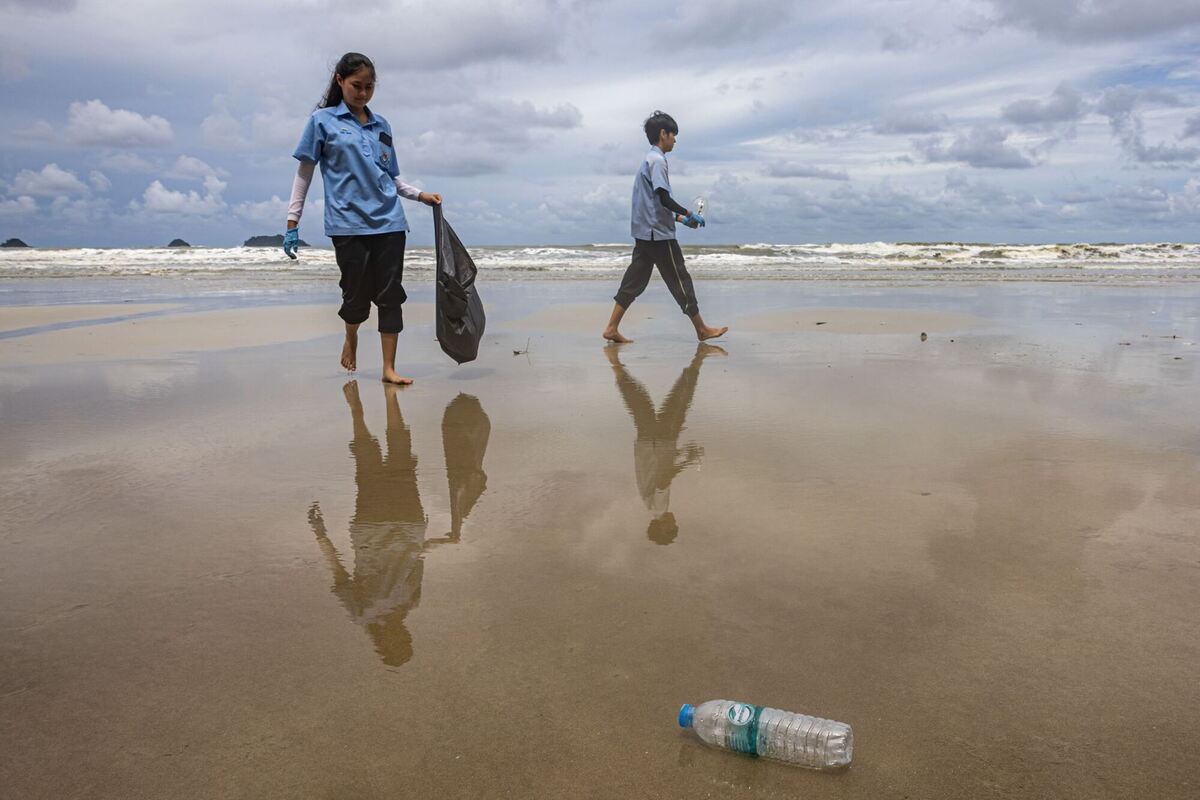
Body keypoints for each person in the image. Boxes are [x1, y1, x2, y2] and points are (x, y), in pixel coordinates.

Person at [284, 52, 442, 385]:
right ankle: (351, 336)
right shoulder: (322, 121)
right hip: (347, 224)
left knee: (391, 295)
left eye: (369, 87)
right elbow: (304, 173)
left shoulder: (382, 125)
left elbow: (391, 177)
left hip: (390, 222)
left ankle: (388, 368)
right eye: (357, 85)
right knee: (354, 295)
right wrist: (292, 222)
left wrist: (420, 195)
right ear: (340, 81)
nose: (363, 93)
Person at [602, 111, 728, 344]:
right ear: (663, 134)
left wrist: (679, 219)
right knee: (680, 280)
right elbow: (664, 198)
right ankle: (702, 329)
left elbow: (653, 204)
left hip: (644, 233)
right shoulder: (658, 161)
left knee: (634, 281)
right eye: (673, 135)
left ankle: (611, 328)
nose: (675, 140)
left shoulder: (648, 160)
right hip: (658, 236)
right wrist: (689, 214)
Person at [606, 343, 726, 544]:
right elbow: (660, 471)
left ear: (661, 527)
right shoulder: (649, 504)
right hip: (647, 443)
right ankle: (615, 365)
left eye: (672, 527)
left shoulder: (659, 508)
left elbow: (663, 478)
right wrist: (682, 454)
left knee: (680, 399)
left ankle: (699, 359)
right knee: (639, 401)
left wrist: (687, 461)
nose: (675, 521)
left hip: (660, 442)